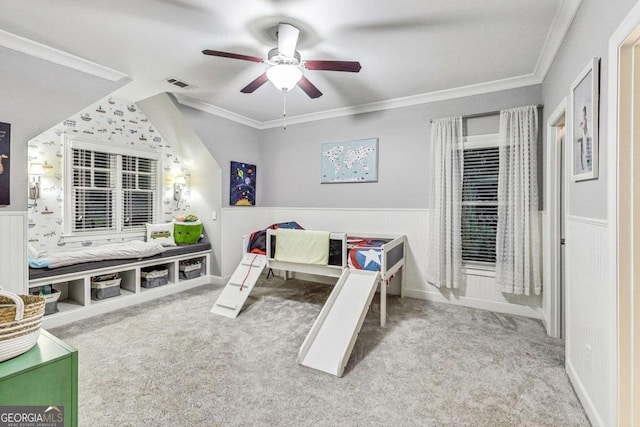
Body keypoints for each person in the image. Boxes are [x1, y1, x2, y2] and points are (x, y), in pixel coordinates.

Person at [578, 105, 589, 172]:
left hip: (585, 135)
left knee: (584, 149)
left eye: (583, 113)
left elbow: (583, 127)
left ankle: (584, 165)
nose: (583, 114)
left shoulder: (585, 119)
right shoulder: (583, 119)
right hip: (584, 135)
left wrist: (580, 125)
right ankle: (583, 166)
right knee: (583, 150)